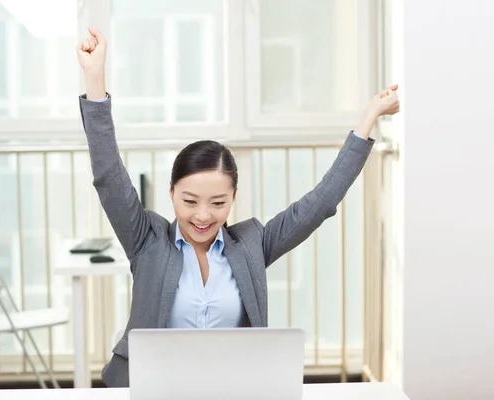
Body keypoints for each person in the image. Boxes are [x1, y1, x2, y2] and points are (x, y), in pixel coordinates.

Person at [76, 27, 400, 387]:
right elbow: (108, 173)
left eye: (218, 203)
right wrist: (95, 78)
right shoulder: (147, 240)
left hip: (232, 389)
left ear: (233, 198)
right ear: (171, 194)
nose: (203, 216)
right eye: (189, 201)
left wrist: (369, 118)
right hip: (154, 390)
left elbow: (320, 202)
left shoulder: (251, 244)